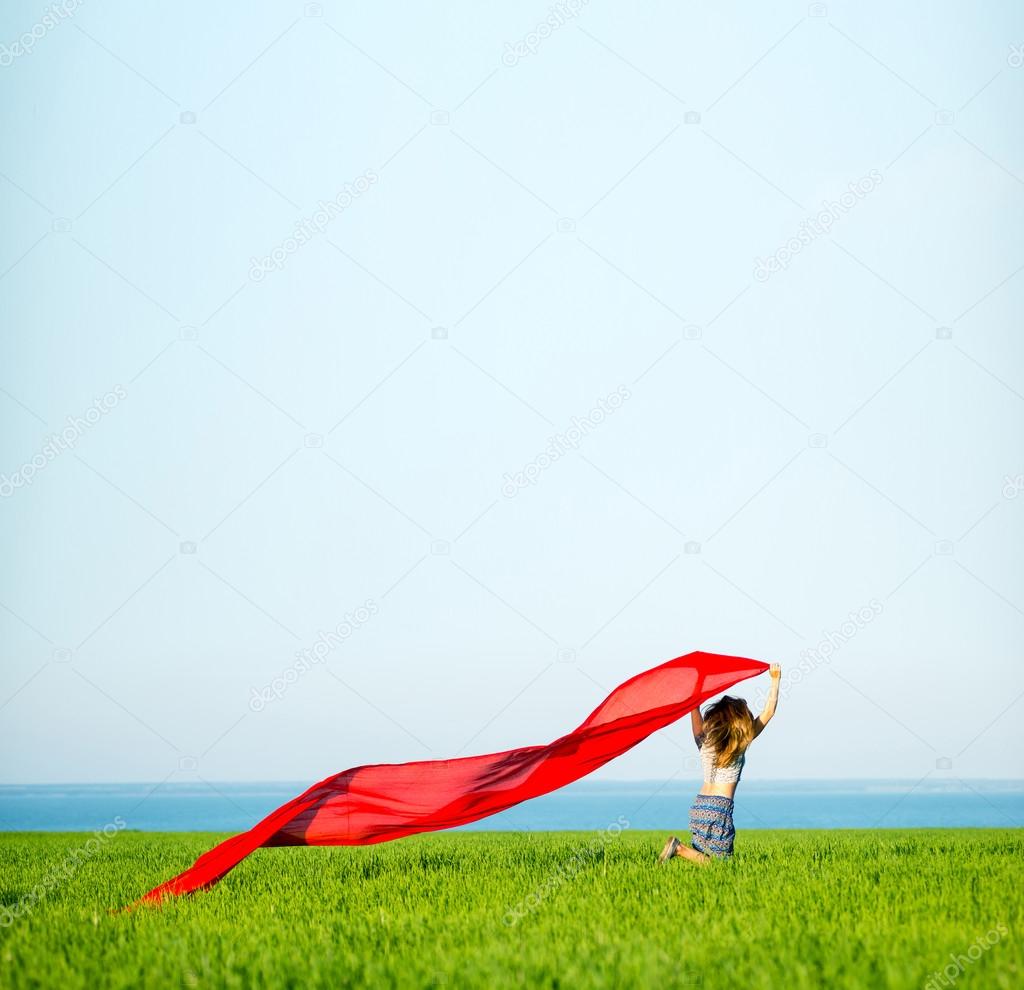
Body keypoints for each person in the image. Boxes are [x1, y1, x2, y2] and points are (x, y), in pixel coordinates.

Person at [658, 662, 781, 864]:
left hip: (699, 805)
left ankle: (680, 849)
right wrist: (775, 679)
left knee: (706, 862)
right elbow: (768, 713)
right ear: (740, 723)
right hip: (719, 808)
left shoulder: (707, 746)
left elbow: (697, 727)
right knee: (720, 866)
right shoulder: (739, 745)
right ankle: (678, 848)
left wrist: (694, 700)